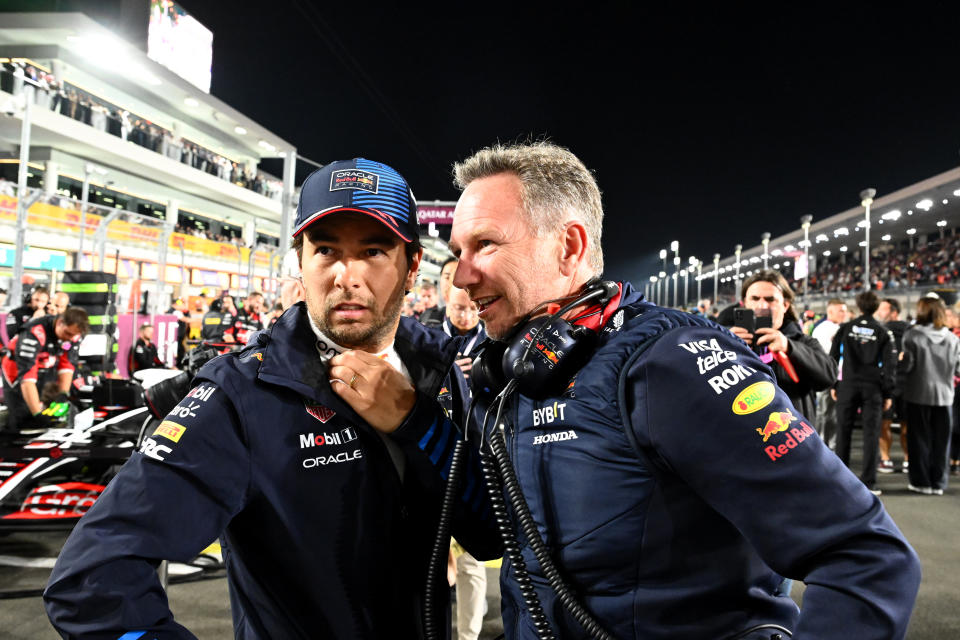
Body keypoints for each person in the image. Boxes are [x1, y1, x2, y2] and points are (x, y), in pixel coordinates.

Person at [449, 141, 919, 639]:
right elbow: (491, 538)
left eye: (486, 245)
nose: (462, 276)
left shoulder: (670, 362)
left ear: (569, 247)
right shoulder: (517, 373)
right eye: (459, 251)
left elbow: (866, 557)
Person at [44, 157, 500, 639]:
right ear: (301, 263)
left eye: (372, 251)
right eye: (326, 250)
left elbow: (486, 531)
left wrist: (416, 422)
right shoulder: (241, 394)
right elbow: (89, 580)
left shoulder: (440, 369)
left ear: (411, 269)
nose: (347, 275)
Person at [726, 270, 836, 420]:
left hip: (792, 436)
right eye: (755, 298)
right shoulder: (727, 342)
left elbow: (828, 376)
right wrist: (726, 349)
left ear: (785, 305)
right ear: (745, 303)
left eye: (770, 299)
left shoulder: (802, 342)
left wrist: (790, 348)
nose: (762, 305)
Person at [830, 291, 897, 495]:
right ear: (876, 308)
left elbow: (833, 357)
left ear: (858, 306)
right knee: (871, 433)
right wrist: (888, 393)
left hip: (848, 385)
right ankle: (869, 482)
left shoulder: (845, 328)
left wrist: (835, 384)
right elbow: (889, 365)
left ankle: (840, 480)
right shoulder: (882, 332)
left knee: (843, 431)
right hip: (873, 387)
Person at [901, 296, 960, 495]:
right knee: (942, 442)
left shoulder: (912, 336)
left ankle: (921, 482)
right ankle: (938, 483)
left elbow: (907, 366)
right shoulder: (952, 339)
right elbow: (958, 369)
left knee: (919, 439)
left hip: (918, 394)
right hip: (945, 396)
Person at [1, 307, 88, 432]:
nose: (70, 338)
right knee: (24, 415)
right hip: (17, 369)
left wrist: (63, 394)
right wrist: (37, 414)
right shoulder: (33, 333)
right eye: (68, 334)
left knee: (52, 409)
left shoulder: (73, 335)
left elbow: (67, 365)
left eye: (73, 336)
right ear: (59, 323)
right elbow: (27, 378)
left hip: (45, 366)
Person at [875, 297, 911, 473]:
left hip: (907, 384)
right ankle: (885, 459)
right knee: (884, 423)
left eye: (883, 309)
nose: (879, 313)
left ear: (894, 312)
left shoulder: (910, 331)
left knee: (907, 425)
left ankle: (908, 459)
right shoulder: (879, 331)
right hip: (886, 384)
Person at [811, 298, 847, 448]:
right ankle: (820, 442)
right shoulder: (823, 329)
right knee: (824, 412)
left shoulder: (839, 327)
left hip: (839, 377)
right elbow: (829, 355)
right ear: (830, 311)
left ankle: (831, 443)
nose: (844, 314)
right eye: (841, 311)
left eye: (844, 311)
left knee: (833, 413)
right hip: (827, 376)